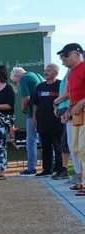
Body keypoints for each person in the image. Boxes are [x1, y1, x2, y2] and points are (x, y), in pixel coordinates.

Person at [58, 43, 85, 196]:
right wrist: (68, 111)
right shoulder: (72, 73)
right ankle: (81, 180)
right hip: (76, 114)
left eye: (66, 55)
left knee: (83, 148)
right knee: (75, 148)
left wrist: (81, 102)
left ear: (76, 54)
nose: (64, 60)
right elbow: (74, 96)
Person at [11, 66, 44, 176]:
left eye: (16, 81)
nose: (17, 84)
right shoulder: (36, 75)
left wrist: (23, 108)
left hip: (33, 113)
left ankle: (31, 167)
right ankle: (52, 164)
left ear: (17, 76)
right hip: (44, 111)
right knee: (45, 139)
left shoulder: (24, 79)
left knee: (31, 140)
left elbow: (27, 98)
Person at [32, 63, 64, 177]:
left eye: (49, 70)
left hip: (56, 121)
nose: (45, 72)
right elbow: (35, 103)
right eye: (45, 70)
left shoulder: (60, 85)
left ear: (55, 72)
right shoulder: (40, 86)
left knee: (58, 147)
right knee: (45, 147)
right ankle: (47, 169)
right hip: (42, 121)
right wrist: (34, 117)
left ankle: (60, 169)